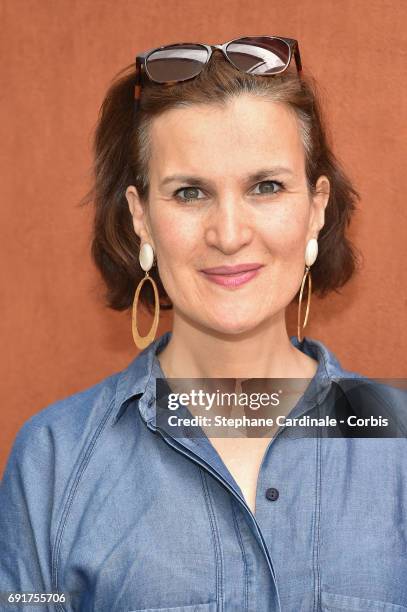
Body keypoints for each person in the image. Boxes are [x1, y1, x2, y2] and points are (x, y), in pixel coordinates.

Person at [1, 36, 406, 612]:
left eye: (266, 187)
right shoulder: (54, 459)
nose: (229, 233)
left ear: (316, 208)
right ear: (141, 217)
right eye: (190, 192)